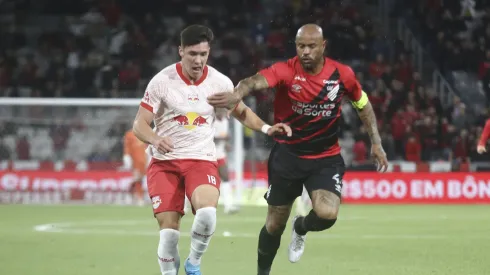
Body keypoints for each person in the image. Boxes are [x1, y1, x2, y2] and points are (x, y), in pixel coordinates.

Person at [207, 24, 388, 275]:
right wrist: (237, 94)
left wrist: (376, 142)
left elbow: (363, 106)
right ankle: (263, 272)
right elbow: (252, 81)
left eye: (311, 46)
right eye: (301, 46)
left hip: (325, 158)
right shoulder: (285, 70)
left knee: (327, 214)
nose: (305, 51)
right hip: (288, 157)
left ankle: (301, 227)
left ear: (323, 46)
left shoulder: (342, 75)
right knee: (274, 225)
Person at [132, 24, 292, 275]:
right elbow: (139, 123)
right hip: (165, 163)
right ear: (180, 51)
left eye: (203, 54)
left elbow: (242, 112)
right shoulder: (161, 82)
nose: (198, 60)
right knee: (169, 237)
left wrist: (266, 129)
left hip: (201, 160)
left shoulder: (219, 82)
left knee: (207, 215)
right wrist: (154, 139)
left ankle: (194, 262)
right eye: (192, 54)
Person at [214, 108, 239, 214]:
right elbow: (210, 138)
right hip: (209, 155)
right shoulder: (211, 121)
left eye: (224, 111)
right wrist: (223, 139)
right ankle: (187, 204)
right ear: (216, 111)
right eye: (221, 111)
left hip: (220, 154)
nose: (223, 113)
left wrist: (226, 145)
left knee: (226, 178)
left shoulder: (225, 121)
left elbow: (223, 137)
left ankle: (228, 205)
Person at [123, 129, 147, 206]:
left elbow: (147, 147)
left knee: (140, 179)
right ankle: (139, 198)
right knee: (138, 179)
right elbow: (127, 147)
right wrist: (127, 156)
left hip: (144, 160)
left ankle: (129, 193)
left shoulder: (145, 132)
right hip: (135, 161)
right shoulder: (129, 134)